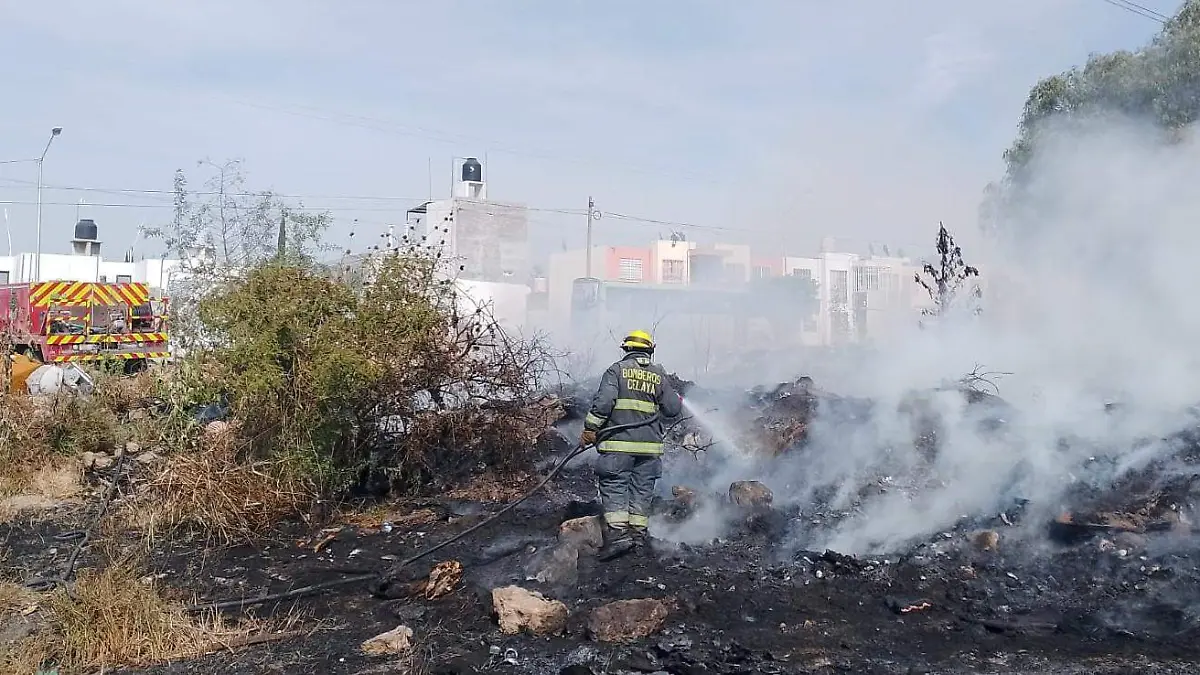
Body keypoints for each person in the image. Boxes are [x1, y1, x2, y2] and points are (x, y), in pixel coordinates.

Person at [581, 329, 682, 560]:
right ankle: (638, 534)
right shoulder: (659, 375)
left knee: (616, 485)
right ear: (650, 350)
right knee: (642, 489)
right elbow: (673, 410)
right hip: (649, 449)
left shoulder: (616, 371)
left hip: (618, 444)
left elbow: (604, 402)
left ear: (626, 349)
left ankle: (619, 536)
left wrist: (590, 429)